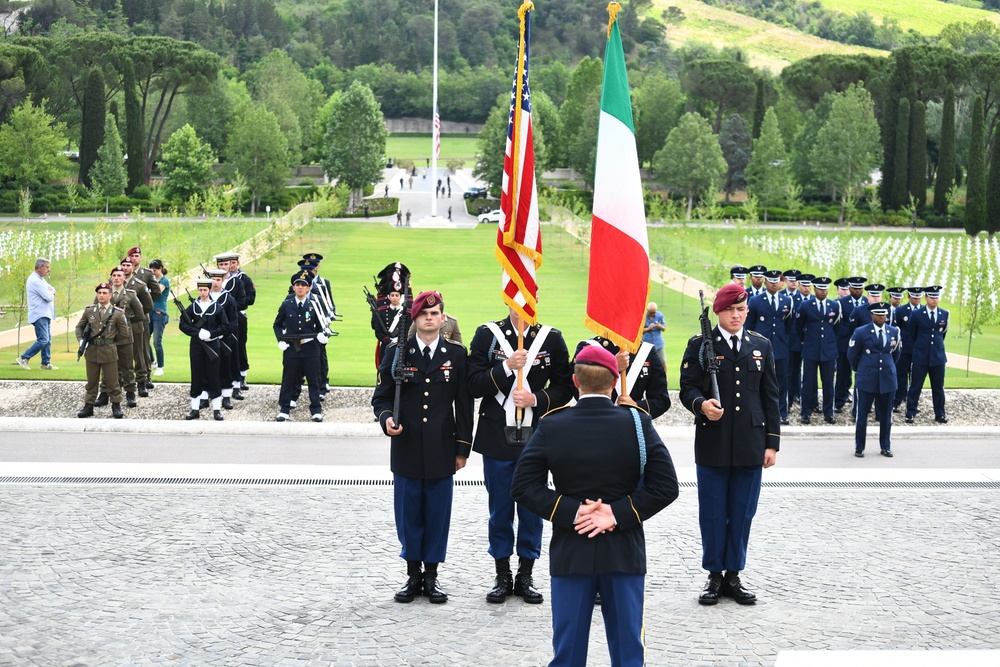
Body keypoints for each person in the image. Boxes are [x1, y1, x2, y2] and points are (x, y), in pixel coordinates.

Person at [511, 344, 679, 666]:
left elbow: (523, 487)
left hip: (571, 550)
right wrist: (615, 513)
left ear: (575, 382)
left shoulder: (552, 424)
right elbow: (666, 486)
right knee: (629, 651)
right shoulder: (637, 423)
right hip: (624, 551)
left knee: (568, 654)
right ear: (615, 382)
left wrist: (574, 511)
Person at [678, 283, 779, 606]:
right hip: (713, 443)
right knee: (712, 512)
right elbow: (687, 388)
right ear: (718, 312)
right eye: (730, 310)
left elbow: (771, 396)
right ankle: (714, 575)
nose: (736, 315)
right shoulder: (699, 345)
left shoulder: (760, 345)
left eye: (741, 309)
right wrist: (701, 405)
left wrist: (771, 444)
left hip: (750, 443)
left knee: (741, 512)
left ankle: (734, 574)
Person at [372, 290, 473, 605]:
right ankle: (412, 574)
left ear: (443, 318)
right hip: (406, 447)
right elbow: (382, 397)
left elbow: (464, 406)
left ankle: (432, 576)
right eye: (423, 314)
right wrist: (386, 419)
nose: (430, 319)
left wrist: (462, 449)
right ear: (414, 318)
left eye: (435, 314)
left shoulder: (456, 354)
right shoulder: (397, 351)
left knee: (437, 515)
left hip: (442, 449)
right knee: (409, 514)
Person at [468, 307, 574, 605]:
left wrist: (535, 399)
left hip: (538, 438)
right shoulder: (488, 335)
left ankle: (525, 574)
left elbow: (566, 388)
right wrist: (506, 368)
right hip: (497, 437)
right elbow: (473, 384)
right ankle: (502, 574)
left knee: (533, 509)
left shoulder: (551, 338)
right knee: (500, 508)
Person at [273, 270, 328, 422]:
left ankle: (316, 409)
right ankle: (284, 408)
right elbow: (277, 324)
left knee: (313, 379)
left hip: (310, 348)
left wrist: (323, 335)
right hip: (291, 347)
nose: (300, 288)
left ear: (308, 288)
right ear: (293, 287)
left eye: (303, 285)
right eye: (297, 285)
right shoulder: (286, 305)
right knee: (288, 378)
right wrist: (280, 340)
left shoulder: (314, 305)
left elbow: (321, 325)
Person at [848, 301, 901, 458]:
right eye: (878, 315)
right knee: (862, 414)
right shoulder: (861, 332)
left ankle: (885, 446)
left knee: (886, 415)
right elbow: (852, 354)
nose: (882, 318)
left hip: (887, 378)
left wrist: (889, 367)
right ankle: (860, 447)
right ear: (872, 315)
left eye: (884, 315)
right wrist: (861, 369)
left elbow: (896, 353)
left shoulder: (893, 332)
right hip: (867, 378)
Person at [573, 336, 671, 419]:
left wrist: (637, 406)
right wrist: (613, 366)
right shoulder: (588, 347)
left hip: (631, 424)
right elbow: (576, 391)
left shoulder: (646, 351)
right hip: (593, 420)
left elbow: (661, 400)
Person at [747, 269, 795, 425]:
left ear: (780, 284)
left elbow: (788, 325)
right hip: (759, 347)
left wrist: (783, 341)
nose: (774, 285)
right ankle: (759, 411)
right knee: (758, 379)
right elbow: (750, 325)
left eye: (776, 282)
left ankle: (782, 412)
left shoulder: (787, 301)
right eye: (771, 281)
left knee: (782, 380)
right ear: (766, 282)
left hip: (780, 347)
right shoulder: (755, 301)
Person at [75, 283, 129, 419]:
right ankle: (88, 405)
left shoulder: (117, 313)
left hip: (108, 351)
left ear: (110, 295)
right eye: (99, 293)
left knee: (112, 381)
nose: (101, 295)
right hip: (92, 350)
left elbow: (124, 334)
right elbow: (79, 327)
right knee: (91, 381)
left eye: (105, 293)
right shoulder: (89, 311)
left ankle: (116, 405)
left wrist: (111, 342)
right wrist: (81, 341)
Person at [179, 278, 228, 421]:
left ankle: (217, 409)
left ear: (210, 290)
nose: (202, 292)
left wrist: (211, 334)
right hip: (197, 346)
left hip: (212, 345)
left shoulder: (217, 307)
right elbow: (183, 324)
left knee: (214, 376)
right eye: (200, 290)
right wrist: (197, 333)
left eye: (205, 290)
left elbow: (225, 326)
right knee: (197, 375)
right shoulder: (193, 307)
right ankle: (195, 408)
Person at [796, 277, 840, 424]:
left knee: (828, 383)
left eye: (825, 289)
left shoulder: (834, 305)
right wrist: (807, 339)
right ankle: (806, 412)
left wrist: (830, 340)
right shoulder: (806, 305)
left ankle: (829, 412)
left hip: (828, 350)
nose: (823, 291)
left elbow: (836, 327)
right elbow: (799, 326)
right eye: (820, 289)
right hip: (811, 349)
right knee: (808, 382)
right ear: (815, 289)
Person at [905, 286, 949, 424]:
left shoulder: (944, 314)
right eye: (932, 297)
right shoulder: (917, 314)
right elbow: (913, 333)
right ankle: (910, 413)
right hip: (921, 356)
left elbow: (942, 334)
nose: (935, 300)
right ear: (926, 298)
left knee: (938, 387)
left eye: (936, 297)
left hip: (937, 357)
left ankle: (940, 414)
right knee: (915, 386)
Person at [107, 266, 143, 408]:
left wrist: (125, 322)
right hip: (108, 336)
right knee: (108, 367)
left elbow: (139, 314)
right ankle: (106, 392)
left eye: (119, 275)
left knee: (127, 366)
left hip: (124, 336)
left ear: (124, 278)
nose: (116, 278)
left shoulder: (130, 295)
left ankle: (130, 393)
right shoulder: (104, 293)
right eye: (114, 275)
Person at [128, 246, 161, 389]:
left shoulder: (146, 273)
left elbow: (156, 292)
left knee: (143, 348)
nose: (135, 259)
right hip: (126, 317)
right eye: (132, 256)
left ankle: (146, 376)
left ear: (141, 258)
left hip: (142, 316)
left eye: (137, 256)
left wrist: (142, 303)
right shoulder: (122, 273)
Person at [18, 258, 57, 371]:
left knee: (48, 339)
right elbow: (48, 296)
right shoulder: (34, 280)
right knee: (43, 339)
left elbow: (52, 289)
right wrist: (51, 293)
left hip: (45, 313)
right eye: (47, 267)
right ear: (40, 268)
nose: (49, 270)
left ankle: (45, 363)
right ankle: (24, 357)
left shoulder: (40, 279)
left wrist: (51, 291)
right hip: (39, 314)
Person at [835, 276, 867, 412]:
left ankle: (861, 403)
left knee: (863, 374)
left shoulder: (868, 302)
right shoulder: (841, 303)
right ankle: (838, 401)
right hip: (844, 342)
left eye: (860, 288)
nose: (858, 291)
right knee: (842, 373)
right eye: (855, 288)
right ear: (850, 288)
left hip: (864, 344)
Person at [892, 287, 922, 412]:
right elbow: (896, 328)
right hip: (905, 348)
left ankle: (913, 403)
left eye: (918, 297)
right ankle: (897, 402)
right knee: (901, 376)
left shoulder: (924, 310)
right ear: (909, 297)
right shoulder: (901, 310)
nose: (916, 300)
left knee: (916, 378)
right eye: (914, 297)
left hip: (919, 349)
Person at [149, 260, 170, 376]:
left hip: (159, 313)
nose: (153, 272)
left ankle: (161, 366)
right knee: (144, 338)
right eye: (151, 270)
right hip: (149, 312)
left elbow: (156, 292)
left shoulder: (164, 281)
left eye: (155, 270)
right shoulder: (151, 280)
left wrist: (147, 290)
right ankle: (152, 361)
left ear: (160, 269)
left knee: (157, 341)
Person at [642, 301, 667, 368]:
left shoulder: (660, 315)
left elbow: (664, 328)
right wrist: (648, 328)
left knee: (663, 362)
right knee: (646, 363)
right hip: (646, 344)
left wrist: (659, 326)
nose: (652, 314)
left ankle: (664, 377)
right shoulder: (643, 317)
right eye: (651, 313)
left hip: (658, 343)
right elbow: (639, 331)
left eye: (654, 313)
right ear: (647, 310)